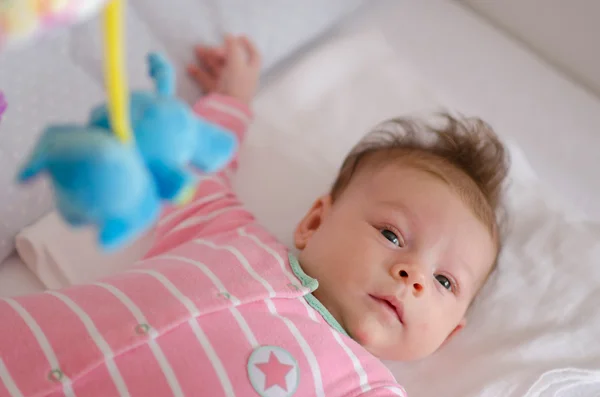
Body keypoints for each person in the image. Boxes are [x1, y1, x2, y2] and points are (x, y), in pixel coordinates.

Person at [0, 34, 508, 397]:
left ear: (450, 334)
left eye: (444, 282)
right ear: (313, 223)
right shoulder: (226, 233)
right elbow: (198, 165)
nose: (414, 275)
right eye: (393, 234)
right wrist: (233, 100)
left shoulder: (365, 385)